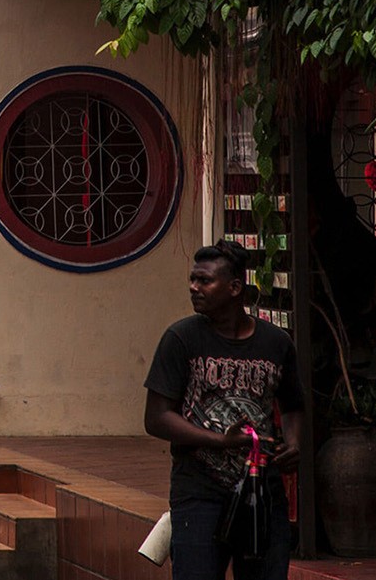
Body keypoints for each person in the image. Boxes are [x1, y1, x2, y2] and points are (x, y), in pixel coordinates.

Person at [144, 241, 304, 580]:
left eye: (205, 281)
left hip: (263, 494)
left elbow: (293, 405)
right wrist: (219, 441)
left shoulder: (276, 343)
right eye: (193, 279)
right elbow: (156, 417)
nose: (194, 288)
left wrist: (293, 443)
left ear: (234, 288)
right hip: (200, 493)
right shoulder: (181, 338)